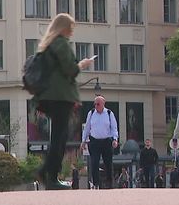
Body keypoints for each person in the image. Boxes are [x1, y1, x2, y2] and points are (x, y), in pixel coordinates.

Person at [33, 13, 94, 190]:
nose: (72, 32)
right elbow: (70, 70)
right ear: (64, 28)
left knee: (58, 135)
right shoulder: (61, 44)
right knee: (60, 137)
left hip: (50, 95)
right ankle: (49, 175)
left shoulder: (48, 45)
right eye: (71, 28)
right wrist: (82, 64)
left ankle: (47, 172)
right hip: (61, 96)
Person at [81, 95, 119, 189]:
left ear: (103, 104)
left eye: (98, 104)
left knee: (108, 163)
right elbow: (87, 128)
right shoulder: (91, 113)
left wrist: (115, 139)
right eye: (95, 104)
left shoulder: (109, 113)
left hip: (106, 141)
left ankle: (109, 183)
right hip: (94, 141)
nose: (96, 106)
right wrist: (83, 141)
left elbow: (114, 128)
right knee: (94, 162)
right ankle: (96, 184)